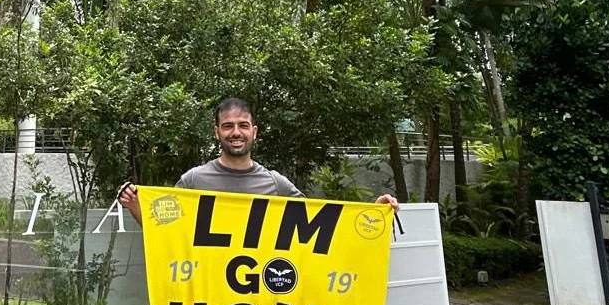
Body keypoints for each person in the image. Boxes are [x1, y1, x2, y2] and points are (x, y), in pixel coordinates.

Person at [118, 97, 400, 223]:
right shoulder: (193, 180)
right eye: (228, 126)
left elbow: (322, 225)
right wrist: (134, 205)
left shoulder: (276, 184)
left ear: (254, 132)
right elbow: (164, 229)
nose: (236, 132)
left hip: (261, 301)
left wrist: (372, 212)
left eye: (243, 125)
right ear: (217, 133)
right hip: (207, 298)